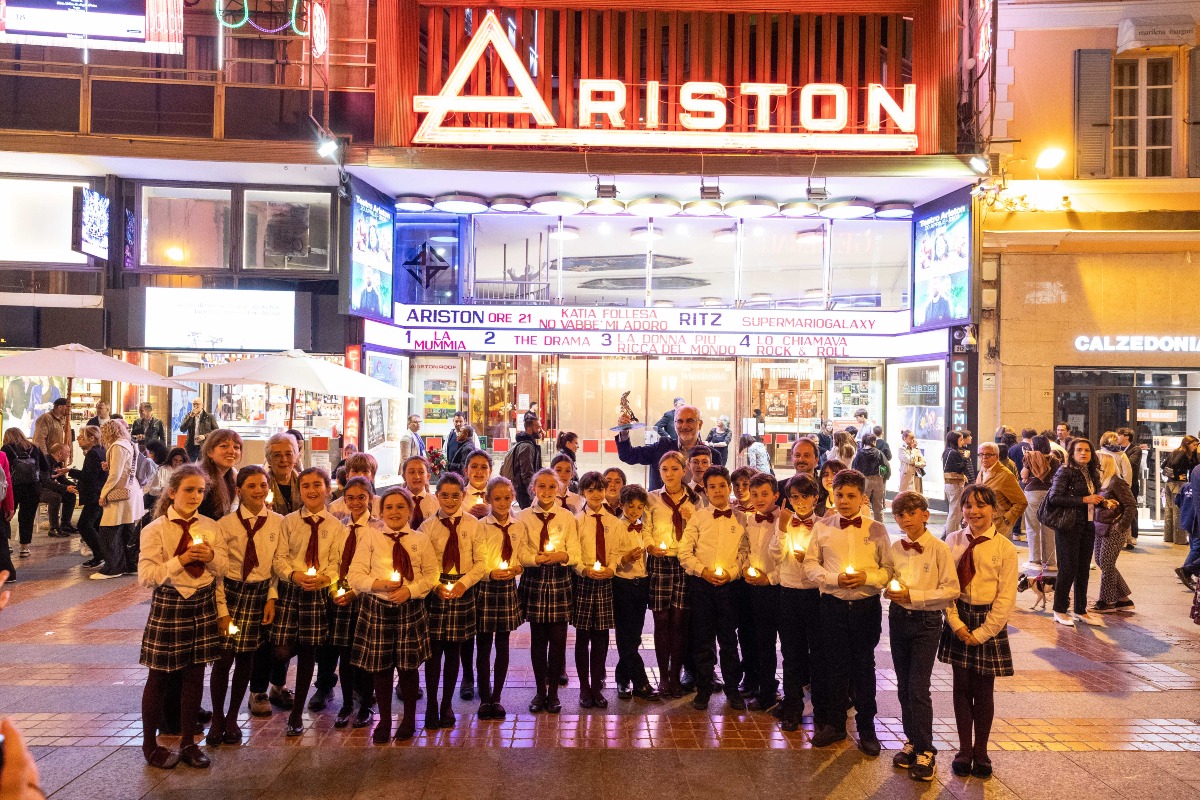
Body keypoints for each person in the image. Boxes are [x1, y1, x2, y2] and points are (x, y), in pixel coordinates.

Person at [137, 464, 221, 769]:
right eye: (189, 489)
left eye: (200, 491)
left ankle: (188, 743)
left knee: (195, 675)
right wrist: (180, 560)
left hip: (202, 603)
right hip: (170, 603)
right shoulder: (154, 529)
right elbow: (147, 577)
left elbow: (223, 569)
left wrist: (211, 558)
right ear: (172, 492)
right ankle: (150, 744)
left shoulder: (211, 527)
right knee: (159, 674)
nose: (195, 496)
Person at [804, 468, 893, 754]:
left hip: (866, 607)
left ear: (862, 498)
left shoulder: (877, 529)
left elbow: (888, 568)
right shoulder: (823, 527)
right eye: (839, 494)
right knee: (835, 666)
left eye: (850, 496)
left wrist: (868, 579)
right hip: (833, 605)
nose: (843, 500)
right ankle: (836, 724)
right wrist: (833, 579)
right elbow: (810, 564)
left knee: (864, 667)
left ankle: (867, 728)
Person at [938, 485, 1018, 780]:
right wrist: (956, 625)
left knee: (983, 690)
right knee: (961, 687)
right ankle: (963, 750)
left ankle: (981, 750)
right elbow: (945, 586)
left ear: (994, 509)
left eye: (981, 505)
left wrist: (983, 632)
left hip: (988, 619)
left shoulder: (1004, 548)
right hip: (959, 614)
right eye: (968, 505)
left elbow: (1007, 597)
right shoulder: (953, 541)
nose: (974, 511)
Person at [347, 486, 437, 742]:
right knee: (382, 668)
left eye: (400, 507)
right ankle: (385, 721)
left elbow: (431, 575)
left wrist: (410, 591)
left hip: (410, 609)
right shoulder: (371, 538)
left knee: (408, 668)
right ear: (380, 511)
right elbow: (355, 575)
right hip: (378, 609)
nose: (394, 512)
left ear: (409, 510)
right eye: (389, 507)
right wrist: (380, 585)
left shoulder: (419, 539)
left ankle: (409, 719)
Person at [885, 492, 959, 781]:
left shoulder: (939, 549)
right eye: (900, 515)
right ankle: (912, 740)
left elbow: (951, 590)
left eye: (911, 513)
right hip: (898, 617)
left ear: (925, 515)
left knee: (918, 687)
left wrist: (913, 595)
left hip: (927, 621)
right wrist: (888, 588)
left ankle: (927, 749)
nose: (905, 519)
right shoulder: (895, 546)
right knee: (903, 686)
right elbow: (888, 576)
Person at [208, 465, 283, 746]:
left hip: (259, 592)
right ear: (239, 491)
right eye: (251, 486)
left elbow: (276, 565)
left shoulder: (278, 522)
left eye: (263, 485)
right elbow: (217, 572)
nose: (258, 491)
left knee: (246, 659)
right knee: (223, 659)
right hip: (230, 592)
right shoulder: (224, 525)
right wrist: (223, 612)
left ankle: (232, 717)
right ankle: (217, 716)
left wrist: (272, 597)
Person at [271, 467, 343, 736]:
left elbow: (337, 562)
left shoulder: (336, 526)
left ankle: (297, 714)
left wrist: (326, 578)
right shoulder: (288, 522)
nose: (311, 491)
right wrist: (293, 574)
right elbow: (279, 558)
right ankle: (277, 686)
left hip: (318, 593)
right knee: (280, 650)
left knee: (309, 653)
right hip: (292, 590)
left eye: (317, 485)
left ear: (327, 489)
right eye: (305, 486)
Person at [678, 465, 749, 712]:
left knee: (729, 641)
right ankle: (704, 689)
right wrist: (703, 571)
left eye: (722, 486)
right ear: (705, 490)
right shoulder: (698, 517)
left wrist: (731, 573)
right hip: (702, 586)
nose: (717, 491)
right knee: (703, 641)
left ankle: (732, 690)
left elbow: (744, 553)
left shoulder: (741, 518)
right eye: (712, 487)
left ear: (729, 487)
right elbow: (684, 552)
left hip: (730, 588)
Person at [418, 472, 484, 729]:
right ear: (437, 496)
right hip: (436, 593)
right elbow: (423, 563)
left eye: (455, 495)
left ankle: (447, 704)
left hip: (461, 590)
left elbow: (480, 563)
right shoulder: (427, 526)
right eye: (444, 495)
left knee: (454, 652)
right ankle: (432, 704)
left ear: (463, 496)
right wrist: (435, 586)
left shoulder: (472, 524)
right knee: (433, 653)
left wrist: (463, 584)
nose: (449, 500)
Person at [517, 468, 580, 713]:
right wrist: (535, 559)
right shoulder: (523, 517)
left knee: (558, 640)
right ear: (533, 488)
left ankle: (553, 692)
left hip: (559, 579)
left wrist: (562, 555)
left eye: (551, 487)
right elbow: (520, 552)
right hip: (535, 578)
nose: (546, 491)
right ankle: (539, 691)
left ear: (559, 489)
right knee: (537, 641)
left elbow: (575, 552)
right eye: (541, 486)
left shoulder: (566, 517)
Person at [325, 477, 378, 728]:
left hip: (366, 596)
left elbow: (377, 565)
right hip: (342, 595)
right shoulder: (340, 527)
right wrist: (336, 587)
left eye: (361, 497)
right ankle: (347, 703)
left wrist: (357, 591)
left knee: (365, 654)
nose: (356, 502)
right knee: (344, 653)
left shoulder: (377, 528)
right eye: (351, 498)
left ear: (370, 498)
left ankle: (366, 703)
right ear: (344, 500)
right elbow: (335, 561)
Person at [643, 451, 697, 697]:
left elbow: (701, 532)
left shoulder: (694, 500)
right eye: (664, 469)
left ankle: (676, 676)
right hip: (660, 563)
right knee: (661, 620)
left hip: (684, 563)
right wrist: (650, 546)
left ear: (684, 471)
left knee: (679, 622)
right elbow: (645, 529)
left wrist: (692, 518)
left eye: (675, 469)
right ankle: (663, 677)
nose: (669, 474)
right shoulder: (652, 498)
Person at [770, 474, 822, 731]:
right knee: (790, 653)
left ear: (816, 498)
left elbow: (829, 559)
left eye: (805, 496)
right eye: (794, 497)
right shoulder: (784, 523)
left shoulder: (823, 525)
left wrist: (810, 559)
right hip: (788, 592)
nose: (800, 501)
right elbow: (775, 555)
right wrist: (781, 528)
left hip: (815, 594)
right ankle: (792, 706)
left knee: (818, 652)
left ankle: (822, 707)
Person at [474, 477, 526, 720]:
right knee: (484, 645)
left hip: (507, 590)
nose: (503, 503)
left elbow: (521, 553)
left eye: (507, 497)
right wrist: (488, 573)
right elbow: (477, 559)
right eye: (497, 498)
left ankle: (497, 696)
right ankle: (484, 698)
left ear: (513, 496)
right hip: (486, 588)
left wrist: (518, 568)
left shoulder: (518, 526)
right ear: (488, 500)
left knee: (503, 645)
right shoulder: (481, 527)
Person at [1046, 438, 1106, 628]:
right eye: (1079, 450)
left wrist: (1103, 502)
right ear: (1071, 453)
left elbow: (1091, 498)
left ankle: (1081, 609)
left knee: (1083, 570)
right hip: (1068, 526)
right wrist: (1083, 499)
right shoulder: (1065, 471)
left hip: (1088, 524)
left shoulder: (1090, 472)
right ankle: (1059, 610)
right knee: (1068, 568)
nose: (1083, 453)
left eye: (1087, 450)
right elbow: (1055, 498)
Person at [572, 471, 619, 709]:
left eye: (599, 489)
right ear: (583, 493)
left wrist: (612, 567)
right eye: (590, 490)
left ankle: (597, 686)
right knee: (583, 636)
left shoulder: (613, 521)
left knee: (601, 637)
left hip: (605, 582)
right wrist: (582, 569)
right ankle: (583, 687)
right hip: (584, 581)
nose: (596, 494)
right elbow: (573, 551)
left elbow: (616, 551)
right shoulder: (577, 521)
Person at [740, 472, 782, 713]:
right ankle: (762, 688)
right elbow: (745, 547)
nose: (759, 498)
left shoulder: (783, 521)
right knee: (759, 641)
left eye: (764, 494)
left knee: (779, 644)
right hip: (754, 588)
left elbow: (785, 557)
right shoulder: (749, 520)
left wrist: (771, 578)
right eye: (754, 494)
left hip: (776, 588)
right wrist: (746, 566)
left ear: (775, 495)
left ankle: (779, 693)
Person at [611, 483, 656, 701]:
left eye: (639, 507)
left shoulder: (642, 527)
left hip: (642, 584)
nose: (634, 511)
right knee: (624, 636)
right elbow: (610, 556)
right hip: (623, 584)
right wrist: (624, 559)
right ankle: (640, 682)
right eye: (630, 506)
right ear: (621, 505)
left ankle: (622, 679)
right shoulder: (617, 527)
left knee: (634, 636)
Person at [90, 419, 145, 580]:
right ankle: (130, 564)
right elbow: (124, 466)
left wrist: (104, 493)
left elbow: (115, 474)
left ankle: (113, 567)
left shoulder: (118, 446)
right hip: (131, 489)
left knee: (109, 530)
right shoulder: (129, 443)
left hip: (120, 492)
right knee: (127, 529)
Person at [617, 404, 703, 492]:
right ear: (674, 424)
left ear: (700, 424)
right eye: (680, 421)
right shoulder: (662, 447)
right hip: (659, 504)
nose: (684, 426)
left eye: (690, 421)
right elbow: (628, 455)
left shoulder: (712, 455)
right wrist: (624, 431)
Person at [1091, 456, 1136, 614]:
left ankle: (1107, 600)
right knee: (1101, 561)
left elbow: (1131, 504)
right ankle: (1124, 599)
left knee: (1107, 562)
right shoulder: (1100, 482)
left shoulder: (1117, 482)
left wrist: (1122, 525)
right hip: (1100, 526)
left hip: (1113, 528)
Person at [2, 427, 49, 558]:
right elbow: (46, 467)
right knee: (27, 518)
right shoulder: (35, 448)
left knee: (6, 515)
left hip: (14, 487)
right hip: (33, 488)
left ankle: (7, 544)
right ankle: (24, 547)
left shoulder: (6, 449)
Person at [1020, 436, 1059, 571]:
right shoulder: (1055, 460)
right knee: (1049, 527)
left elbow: (1024, 476)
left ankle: (1035, 560)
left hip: (1033, 493)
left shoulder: (1029, 457)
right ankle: (1050, 561)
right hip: (1050, 493)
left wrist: (1027, 471)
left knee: (1032, 526)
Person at [974, 442, 1027, 540]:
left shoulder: (1005, 475)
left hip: (999, 526)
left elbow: (1021, 502)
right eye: (981, 454)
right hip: (984, 522)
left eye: (988, 454)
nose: (984, 457)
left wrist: (1007, 519)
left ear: (997, 456)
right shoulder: (982, 471)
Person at [40, 442, 76, 537]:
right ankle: (54, 528)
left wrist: (75, 486)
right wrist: (65, 488)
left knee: (70, 495)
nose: (69, 454)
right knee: (55, 497)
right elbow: (46, 482)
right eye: (68, 452)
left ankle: (65, 524)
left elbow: (62, 479)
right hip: (39, 489)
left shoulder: (58, 463)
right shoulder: (45, 461)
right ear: (60, 453)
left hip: (49, 487)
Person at [508, 415, 544, 508]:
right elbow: (527, 472)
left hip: (526, 491)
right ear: (529, 429)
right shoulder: (527, 447)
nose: (540, 430)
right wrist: (533, 492)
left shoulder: (528, 445)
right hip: (525, 492)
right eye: (538, 427)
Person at [264, 432, 302, 516]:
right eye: (277, 455)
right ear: (269, 459)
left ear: (295, 457)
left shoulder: (304, 484)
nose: (283, 459)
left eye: (288, 454)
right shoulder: (261, 487)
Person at [852, 433, 888, 521]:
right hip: (878, 480)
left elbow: (854, 468)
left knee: (863, 504)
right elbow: (886, 467)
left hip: (864, 480)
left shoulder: (859, 453)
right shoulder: (879, 453)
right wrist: (884, 478)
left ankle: (864, 523)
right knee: (878, 506)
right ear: (873, 441)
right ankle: (879, 526)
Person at [1117, 427, 1142, 547]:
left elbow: (1132, 463)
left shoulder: (1135, 449)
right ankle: (1122, 535)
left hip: (1131, 484)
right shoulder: (1117, 449)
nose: (1117, 437)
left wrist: (1119, 457)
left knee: (1131, 507)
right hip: (1118, 483)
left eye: (1119, 435)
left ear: (1126, 436)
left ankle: (1133, 535)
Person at [400, 456, 438, 531]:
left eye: (421, 472)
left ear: (428, 476)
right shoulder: (396, 501)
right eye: (412, 472)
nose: (417, 476)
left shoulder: (437, 503)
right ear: (404, 476)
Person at [942, 431, 969, 535]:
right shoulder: (953, 452)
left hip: (950, 484)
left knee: (954, 511)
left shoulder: (947, 451)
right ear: (955, 440)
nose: (962, 442)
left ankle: (948, 534)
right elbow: (959, 468)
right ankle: (951, 535)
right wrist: (966, 458)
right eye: (961, 439)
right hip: (955, 484)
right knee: (955, 512)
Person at [0, 452, 16, 581]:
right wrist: (9, 506)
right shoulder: (1, 456)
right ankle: (7, 573)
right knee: (1, 540)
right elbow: (7, 482)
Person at [897, 430, 926, 494]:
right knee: (905, 496)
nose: (913, 440)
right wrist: (913, 450)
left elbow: (924, 462)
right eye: (911, 438)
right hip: (906, 476)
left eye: (914, 438)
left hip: (916, 476)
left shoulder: (916, 450)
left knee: (916, 496)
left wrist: (916, 464)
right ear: (905, 438)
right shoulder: (902, 449)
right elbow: (910, 460)